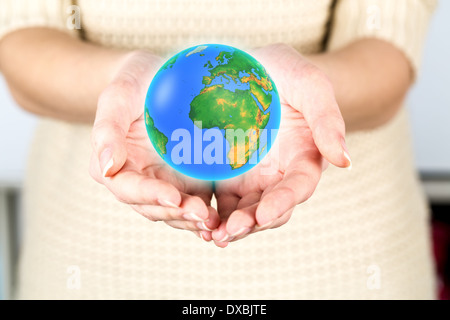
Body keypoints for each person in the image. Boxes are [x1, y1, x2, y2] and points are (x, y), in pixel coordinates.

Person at [0, 0, 437, 299]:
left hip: (344, 270)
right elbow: (21, 40)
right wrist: (125, 79)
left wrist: (295, 94)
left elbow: (387, 52)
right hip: (91, 268)